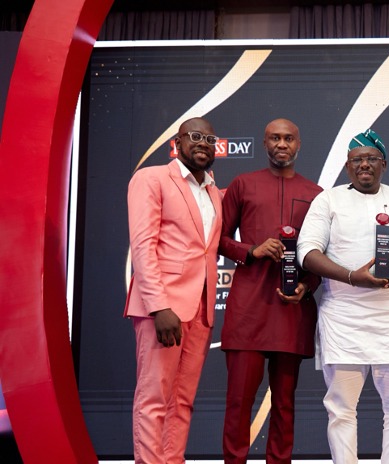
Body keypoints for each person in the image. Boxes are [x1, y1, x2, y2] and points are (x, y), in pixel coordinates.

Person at [297, 129, 389, 464]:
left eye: (372, 158)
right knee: (341, 409)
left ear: (383, 164)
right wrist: (351, 277)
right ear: (347, 166)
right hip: (343, 319)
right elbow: (307, 252)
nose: (364, 165)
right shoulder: (328, 200)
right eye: (357, 159)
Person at [218, 118, 323, 464]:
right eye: (275, 138)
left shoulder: (316, 194)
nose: (282, 144)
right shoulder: (242, 184)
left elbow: (323, 254)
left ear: (298, 144)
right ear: (264, 143)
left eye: (288, 138)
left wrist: (307, 286)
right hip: (247, 310)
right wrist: (251, 250)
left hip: (292, 310)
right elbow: (218, 239)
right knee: (238, 402)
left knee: (285, 404)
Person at [124, 117, 223, 464]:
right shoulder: (151, 178)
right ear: (177, 143)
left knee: (182, 400)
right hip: (163, 309)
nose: (203, 144)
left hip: (201, 310)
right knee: (153, 398)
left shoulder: (212, 190)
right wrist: (158, 306)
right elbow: (143, 246)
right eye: (195, 136)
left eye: (210, 139)